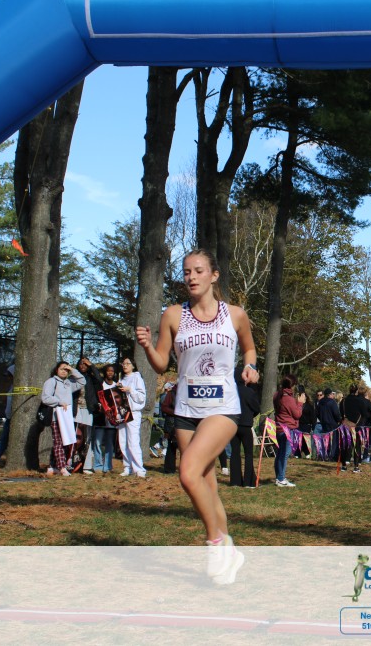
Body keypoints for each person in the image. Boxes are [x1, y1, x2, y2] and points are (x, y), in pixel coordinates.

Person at [136, 248, 259, 585]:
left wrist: (250, 366)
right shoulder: (173, 315)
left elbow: (249, 348)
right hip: (186, 409)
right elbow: (162, 364)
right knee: (206, 484)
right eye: (187, 271)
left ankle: (215, 543)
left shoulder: (235, 315)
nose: (191, 277)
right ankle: (229, 551)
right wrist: (147, 347)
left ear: (214, 275)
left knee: (187, 473)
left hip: (223, 408)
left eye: (198, 270)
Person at [40, 361, 86, 477]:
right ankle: (62, 467)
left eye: (66, 370)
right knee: (58, 442)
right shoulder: (51, 381)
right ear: (56, 370)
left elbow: (82, 381)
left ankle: (53, 466)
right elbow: (45, 398)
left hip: (67, 417)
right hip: (56, 417)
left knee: (66, 442)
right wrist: (59, 402)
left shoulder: (69, 383)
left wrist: (72, 370)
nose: (64, 371)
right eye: (62, 369)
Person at [230, 370, 260, 488]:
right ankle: (248, 481)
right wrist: (250, 415)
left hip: (233, 424)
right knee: (248, 453)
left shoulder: (231, 392)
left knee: (235, 452)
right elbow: (256, 408)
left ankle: (235, 481)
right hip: (246, 425)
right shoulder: (249, 392)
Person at [272, 374, 304, 486]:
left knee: (280, 453)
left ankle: (279, 477)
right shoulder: (288, 399)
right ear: (292, 385)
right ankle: (281, 478)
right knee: (284, 454)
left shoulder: (277, 395)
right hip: (287, 429)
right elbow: (297, 414)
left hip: (279, 428)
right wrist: (300, 403)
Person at [118, 357, 147, 478]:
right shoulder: (121, 378)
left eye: (127, 363)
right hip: (122, 412)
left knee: (133, 441)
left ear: (133, 365)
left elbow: (141, 397)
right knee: (123, 441)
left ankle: (139, 469)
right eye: (123, 363)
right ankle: (127, 467)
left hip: (133, 413)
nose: (125, 365)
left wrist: (130, 390)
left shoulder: (137, 378)